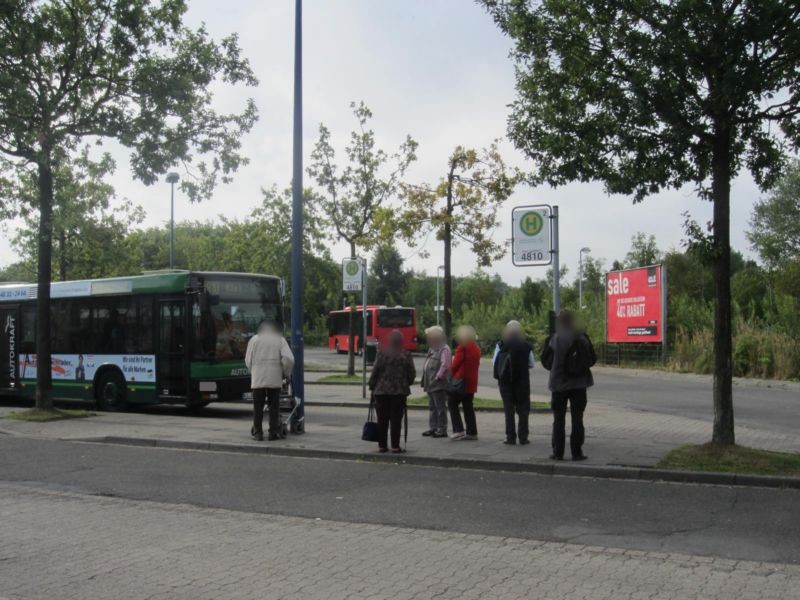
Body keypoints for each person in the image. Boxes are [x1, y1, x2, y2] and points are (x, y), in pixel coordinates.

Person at [543, 309, 595, 461]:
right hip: (579, 384)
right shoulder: (582, 337)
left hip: (558, 384)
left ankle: (558, 452)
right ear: (573, 321)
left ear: (560, 321)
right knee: (577, 419)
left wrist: (556, 368)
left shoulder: (554, 339)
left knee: (558, 419)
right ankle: (577, 452)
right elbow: (592, 359)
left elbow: (546, 361)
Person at [244, 321, 294, 442]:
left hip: (258, 378)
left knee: (258, 406)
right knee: (274, 407)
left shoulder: (254, 340)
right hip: (274, 378)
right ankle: (273, 432)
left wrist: (254, 371)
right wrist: (285, 372)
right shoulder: (280, 340)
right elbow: (289, 358)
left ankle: (258, 433)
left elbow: (247, 359)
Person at [368, 330, 416, 453]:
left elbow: (375, 372)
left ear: (390, 341)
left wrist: (372, 387)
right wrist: (406, 383)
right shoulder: (406, 355)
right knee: (396, 420)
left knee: (382, 420)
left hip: (381, 391)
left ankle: (382, 445)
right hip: (399, 392)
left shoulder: (382, 354)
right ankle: (395, 446)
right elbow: (412, 373)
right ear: (401, 341)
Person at [493, 320, 534, 445]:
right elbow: (531, 363)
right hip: (522, 382)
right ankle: (523, 436)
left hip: (505, 382)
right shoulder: (526, 345)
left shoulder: (500, 345)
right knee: (523, 409)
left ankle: (510, 437)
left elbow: (495, 362)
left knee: (508, 409)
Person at [448, 325, 480, 441]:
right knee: (468, 407)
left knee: (452, 403)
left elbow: (455, 365)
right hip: (471, 382)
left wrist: (449, 374)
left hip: (460, 381)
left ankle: (458, 430)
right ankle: (472, 432)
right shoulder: (476, 347)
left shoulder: (462, 347)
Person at [420, 325, 451, 438]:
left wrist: (438, 377)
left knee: (440, 407)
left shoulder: (444, 349)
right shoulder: (433, 348)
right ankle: (433, 428)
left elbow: (446, 365)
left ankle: (442, 429)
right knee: (432, 407)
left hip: (438, 384)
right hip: (430, 383)